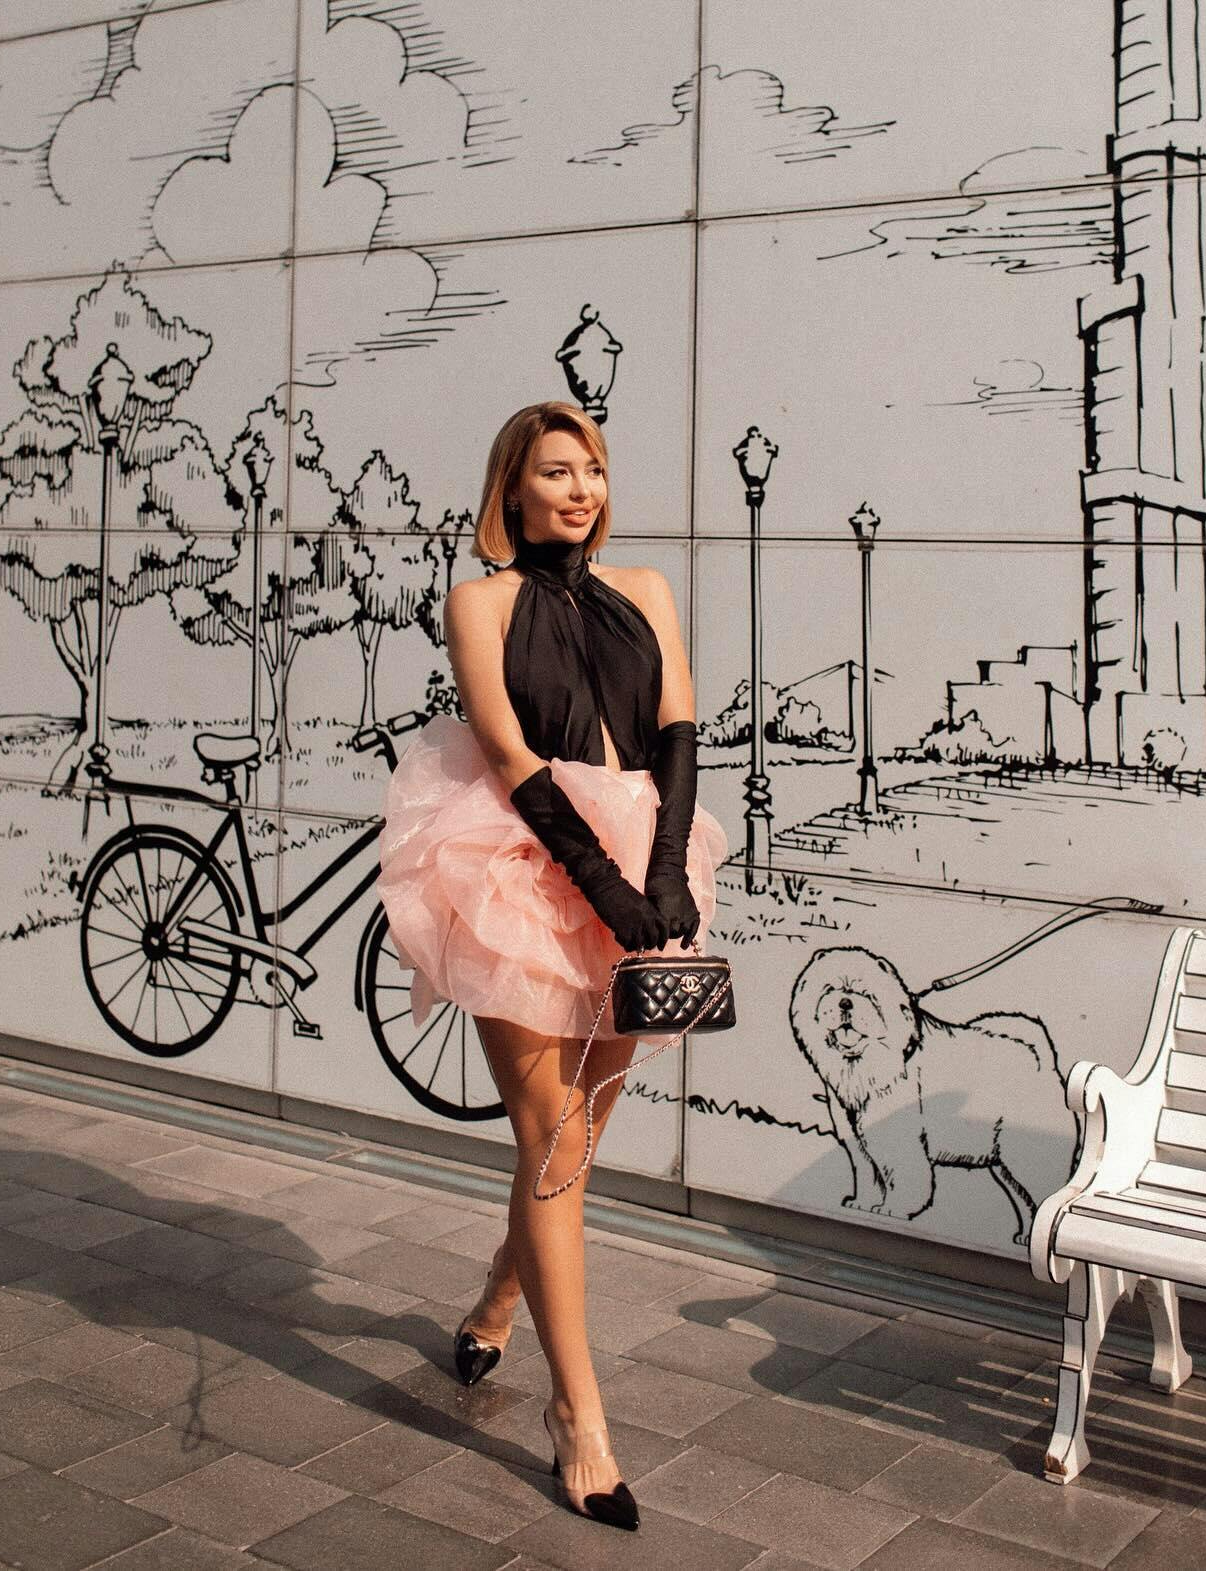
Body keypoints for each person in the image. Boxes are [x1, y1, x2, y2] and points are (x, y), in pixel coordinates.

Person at [375, 401, 727, 1531]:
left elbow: (678, 729)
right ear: (512, 490)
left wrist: (660, 872)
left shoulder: (648, 590)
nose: (580, 489)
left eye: (593, 470)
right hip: (521, 866)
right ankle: (580, 1418)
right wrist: (604, 887)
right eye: (557, 471)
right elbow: (508, 751)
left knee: (575, 1141)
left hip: (646, 854)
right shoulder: (477, 602)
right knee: (554, 1142)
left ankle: (497, 1297)